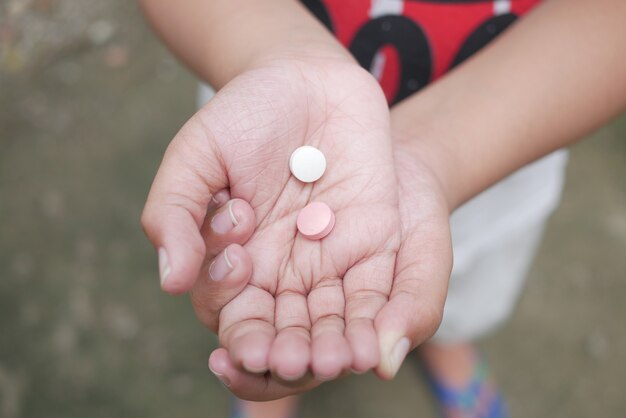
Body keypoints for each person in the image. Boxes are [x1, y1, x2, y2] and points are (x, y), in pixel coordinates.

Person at [138, 0, 626, 417]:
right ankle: (274, 376)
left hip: (507, 142)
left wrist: (432, 155)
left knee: (457, 285)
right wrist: (282, 55)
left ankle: (445, 337)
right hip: (271, 139)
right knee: (263, 278)